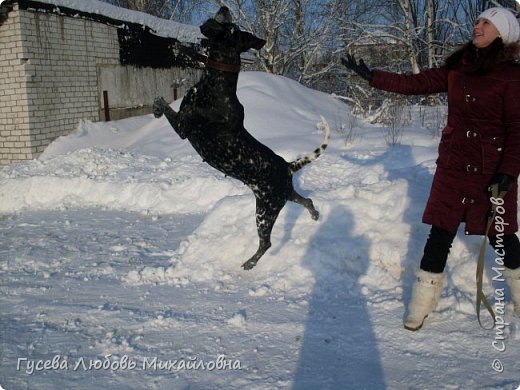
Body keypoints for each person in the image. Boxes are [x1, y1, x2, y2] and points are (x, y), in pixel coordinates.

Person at [342, 7, 520, 331]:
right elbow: (416, 83)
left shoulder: (512, 77)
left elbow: (517, 131)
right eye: (477, 20)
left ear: (502, 33)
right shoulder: (459, 67)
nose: (476, 26)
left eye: (485, 23)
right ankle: (422, 305)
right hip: (453, 168)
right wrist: (374, 77)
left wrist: (507, 173)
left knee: (503, 237)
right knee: (439, 235)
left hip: (492, 173)